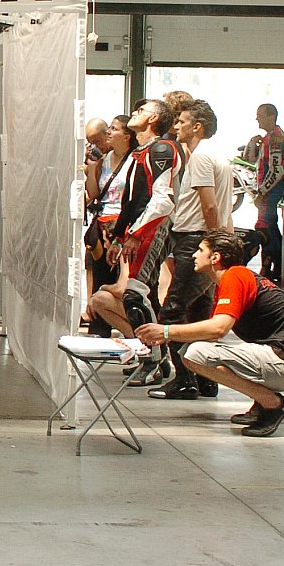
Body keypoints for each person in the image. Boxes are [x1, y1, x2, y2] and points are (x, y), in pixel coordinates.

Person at [136, 229, 284, 437]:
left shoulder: (234, 277)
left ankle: (273, 404)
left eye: (200, 250)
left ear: (215, 257)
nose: (194, 255)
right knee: (194, 350)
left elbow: (218, 328)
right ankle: (261, 402)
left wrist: (166, 331)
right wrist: (167, 335)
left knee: (194, 354)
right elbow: (212, 332)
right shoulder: (233, 279)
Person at [86, 98, 181, 383]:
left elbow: (162, 200)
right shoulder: (141, 152)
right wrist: (118, 237)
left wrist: (136, 234)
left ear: (153, 119)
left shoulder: (162, 149)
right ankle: (152, 357)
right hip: (137, 230)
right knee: (138, 294)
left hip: (153, 229)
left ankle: (154, 359)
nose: (135, 113)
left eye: (142, 111)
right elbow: (131, 199)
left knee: (136, 293)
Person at [149, 99, 233, 400]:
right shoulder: (218, 157)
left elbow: (210, 205)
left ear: (197, 127)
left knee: (172, 312)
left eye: (181, 122)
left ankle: (185, 379)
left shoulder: (200, 158)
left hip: (196, 241)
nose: (176, 127)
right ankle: (205, 379)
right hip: (204, 239)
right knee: (199, 312)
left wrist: (210, 244)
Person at [84, 114, 132, 334]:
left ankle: (130, 327)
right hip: (103, 222)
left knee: (125, 280)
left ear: (127, 135)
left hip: (123, 224)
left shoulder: (135, 160)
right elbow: (94, 193)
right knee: (99, 275)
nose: (110, 134)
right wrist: (92, 166)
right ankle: (98, 326)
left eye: (114, 129)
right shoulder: (104, 160)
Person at [251, 103, 284, 282]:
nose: (257, 118)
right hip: (269, 191)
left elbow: (277, 170)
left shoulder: (276, 138)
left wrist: (262, 192)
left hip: (270, 192)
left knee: (265, 228)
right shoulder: (269, 137)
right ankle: (276, 267)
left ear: (271, 116)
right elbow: (253, 160)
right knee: (271, 228)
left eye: (260, 115)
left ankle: (268, 266)